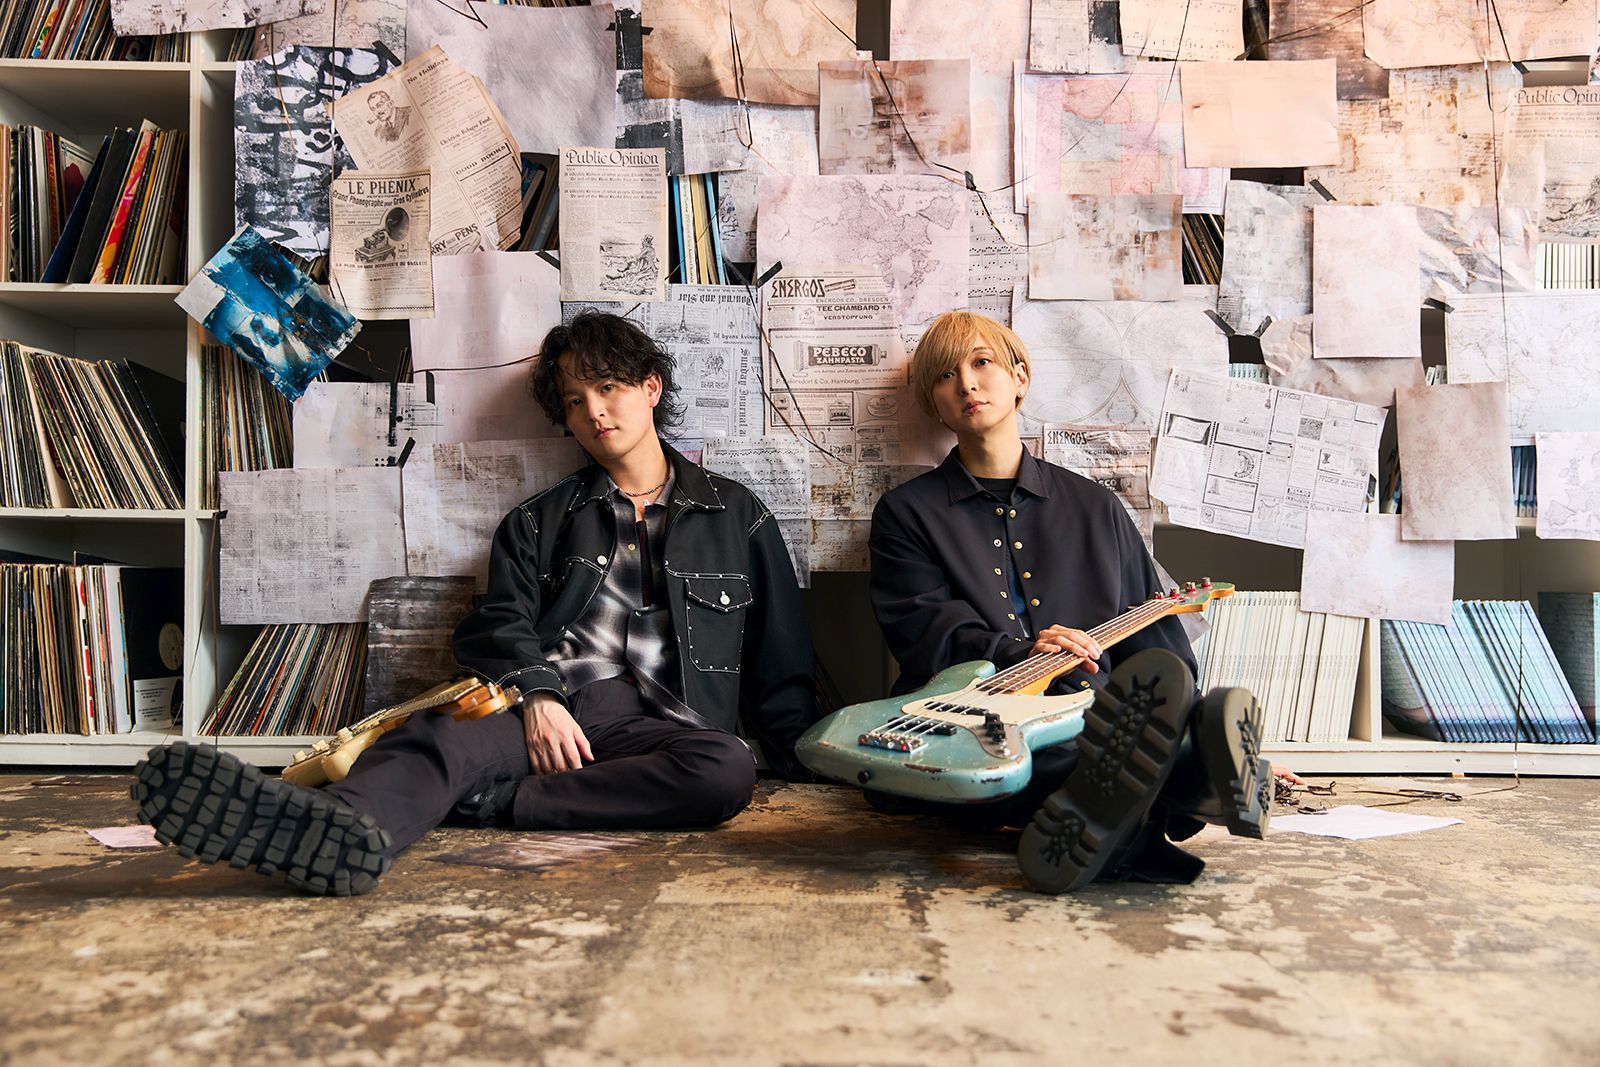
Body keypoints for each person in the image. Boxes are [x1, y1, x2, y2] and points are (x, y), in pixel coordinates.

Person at [133, 312, 817, 896]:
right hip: (553, 704)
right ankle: (331, 831)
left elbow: (779, 659)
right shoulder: (539, 520)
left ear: (650, 387)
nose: (594, 412)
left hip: (664, 725)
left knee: (726, 771)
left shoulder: (738, 515)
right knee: (437, 738)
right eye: (574, 400)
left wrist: (812, 762)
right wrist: (540, 695)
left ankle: (497, 801)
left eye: (608, 388)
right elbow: (499, 622)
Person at [867, 310, 1286, 894]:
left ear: (1020, 377)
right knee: (1039, 758)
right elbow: (924, 632)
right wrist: (1021, 652)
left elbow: (1157, 646)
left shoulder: (1096, 507)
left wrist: (1188, 712)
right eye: (945, 375)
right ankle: (1188, 781)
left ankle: (1156, 780)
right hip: (972, 718)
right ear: (933, 402)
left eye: (982, 363)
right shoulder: (905, 514)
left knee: (1103, 738)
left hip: (1093, 709)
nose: (966, 384)